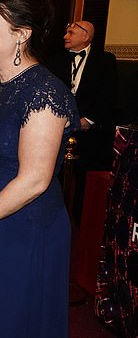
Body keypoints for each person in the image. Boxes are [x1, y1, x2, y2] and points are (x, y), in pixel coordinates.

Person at [0, 0, 79, 338]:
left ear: (21, 34)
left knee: (14, 323)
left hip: (23, 230)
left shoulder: (45, 91)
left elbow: (34, 180)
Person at [51, 20, 117, 222]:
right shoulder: (54, 60)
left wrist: (88, 120)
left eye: (71, 32)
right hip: (58, 129)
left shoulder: (105, 61)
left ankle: (80, 219)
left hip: (91, 133)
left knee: (84, 179)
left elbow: (109, 94)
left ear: (85, 36)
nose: (65, 36)